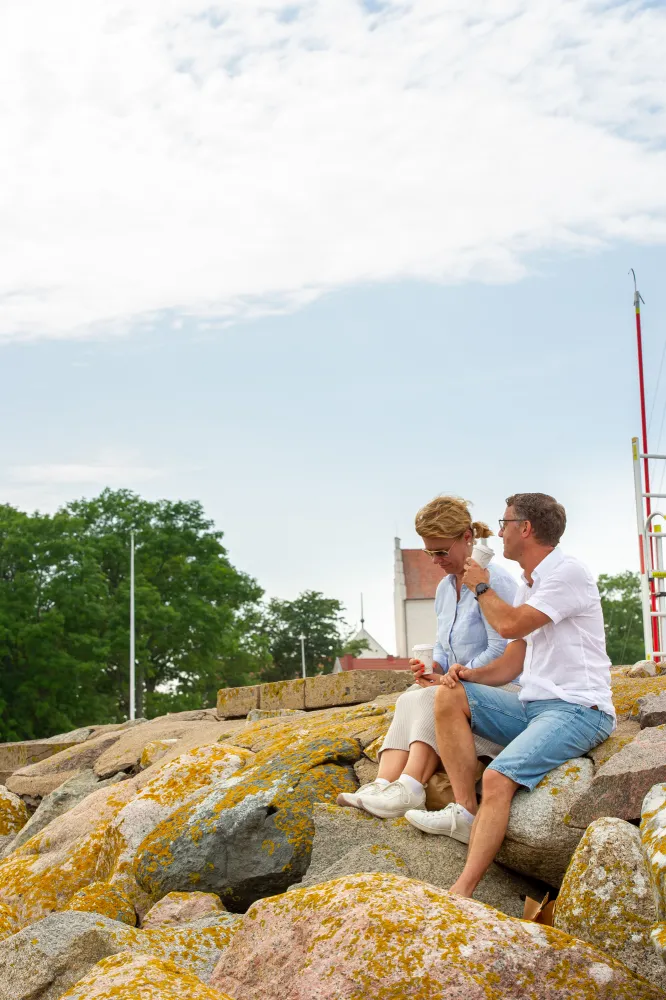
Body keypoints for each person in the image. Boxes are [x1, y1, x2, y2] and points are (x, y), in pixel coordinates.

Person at [404, 493, 616, 901]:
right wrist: (467, 675)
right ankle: (465, 811)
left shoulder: (567, 573)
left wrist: (479, 584)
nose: (497, 530)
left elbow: (509, 624)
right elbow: (512, 659)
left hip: (578, 709)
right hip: (532, 707)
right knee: (450, 695)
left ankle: (462, 891)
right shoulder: (528, 581)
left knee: (498, 777)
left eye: (503, 522)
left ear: (526, 528)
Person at [337, 494, 517, 819]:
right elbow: (444, 648)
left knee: (430, 698)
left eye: (441, 551)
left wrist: (456, 675)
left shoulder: (495, 580)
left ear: (467, 538)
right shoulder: (445, 588)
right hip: (459, 685)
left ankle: (411, 785)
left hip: (499, 689)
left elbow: (503, 649)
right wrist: (432, 667)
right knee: (410, 697)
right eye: (428, 551)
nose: (435, 560)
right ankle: (383, 785)